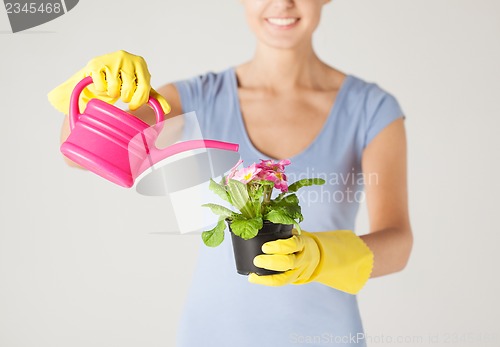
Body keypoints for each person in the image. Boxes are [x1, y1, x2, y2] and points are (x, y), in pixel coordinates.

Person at [48, 0, 413, 345]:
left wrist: (319, 256)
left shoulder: (372, 109)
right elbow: (79, 155)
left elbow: (398, 245)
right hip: (213, 335)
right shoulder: (194, 99)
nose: (283, 2)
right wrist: (95, 89)